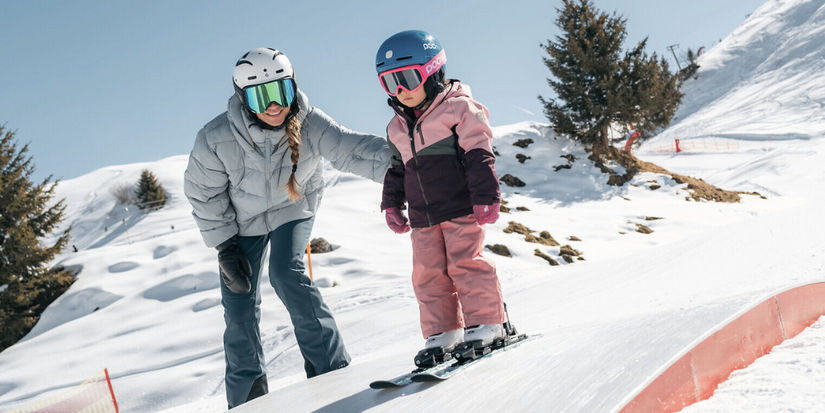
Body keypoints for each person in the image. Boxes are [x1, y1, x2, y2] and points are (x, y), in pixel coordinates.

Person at [184, 47, 390, 408]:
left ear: (293, 87)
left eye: (281, 91)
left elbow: (352, 150)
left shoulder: (310, 123)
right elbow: (203, 193)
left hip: (293, 207)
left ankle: (331, 370)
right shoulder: (215, 138)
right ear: (243, 99)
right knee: (239, 305)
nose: (274, 105)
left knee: (286, 274)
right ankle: (248, 398)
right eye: (261, 96)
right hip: (241, 223)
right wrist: (225, 247)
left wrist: (406, 166)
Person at [374, 30, 510, 363]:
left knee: (467, 265)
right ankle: (443, 332)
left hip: (460, 207)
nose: (401, 91)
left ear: (433, 71)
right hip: (423, 218)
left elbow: (479, 153)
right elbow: (397, 169)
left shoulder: (458, 108)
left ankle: (487, 324)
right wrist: (392, 203)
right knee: (427, 276)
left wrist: (487, 195)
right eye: (390, 84)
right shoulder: (396, 127)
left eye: (407, 78)